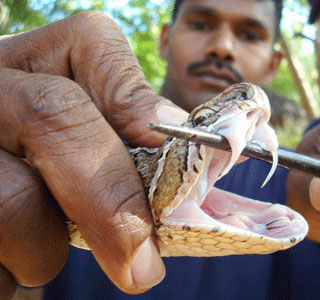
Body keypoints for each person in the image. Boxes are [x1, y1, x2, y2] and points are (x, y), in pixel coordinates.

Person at [0, 0, 319, 299]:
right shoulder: (55, 158)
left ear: (274, 65)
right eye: (200, 24)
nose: (222, 48)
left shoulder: (291, 187)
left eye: (249, 35)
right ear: (165, 40)